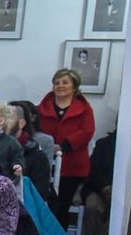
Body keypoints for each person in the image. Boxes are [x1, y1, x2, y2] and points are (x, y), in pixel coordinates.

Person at [38, 68, 97, 224]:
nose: (60, 85)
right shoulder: (42, 107)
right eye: (57, 83)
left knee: (61, 205)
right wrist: (50, 146)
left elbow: (87, 131)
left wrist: (63, 146)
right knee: (43, 203)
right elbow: (36, 130)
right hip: (46, 162)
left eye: (65, 82)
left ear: (74, 86)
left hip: (73, 165)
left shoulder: (84, 108)